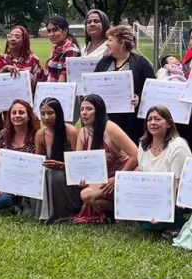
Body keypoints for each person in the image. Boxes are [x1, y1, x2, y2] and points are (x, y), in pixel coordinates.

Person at [73, 94, 138, 224]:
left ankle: (127, 211)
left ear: (99, 111)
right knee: (85, 194)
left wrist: (118, 178)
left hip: (124, 175)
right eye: (82, 109)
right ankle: (115, 211)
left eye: (89, 109)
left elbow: (136, 155)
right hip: (102, 179)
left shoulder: (110, 128)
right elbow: (78, 164)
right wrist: (80, 179)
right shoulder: (83, 132)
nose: (84, 113)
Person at [95, 25, 155, 143]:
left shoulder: (140, 63)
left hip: (131, 122)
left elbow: (152, 89)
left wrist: (139, 98)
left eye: (110, 40)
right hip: (107, 119)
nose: (107, 43)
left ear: (122, 43)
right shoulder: (104, 62)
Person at [138, 106, 191, 237]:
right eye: (149, 119)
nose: (153, 123)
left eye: (158, 119)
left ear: (168, 123)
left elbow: (180, 185)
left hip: (176, 197)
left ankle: (179, 223)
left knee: (151, 222)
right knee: (145, 220)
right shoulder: (143, 144)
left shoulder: (178, 146)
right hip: (153, 195)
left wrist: (161, 210)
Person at [34, 98, 81, 222]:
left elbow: (79, 163)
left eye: (50, 113)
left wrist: (61, 165)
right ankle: (43, 212)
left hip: (69, 176)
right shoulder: (40, 134)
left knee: (52, 174)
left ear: (58, 113)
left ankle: (62, 211)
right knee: (45, 173)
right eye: (43, 114)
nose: (46, 118)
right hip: (49, 173)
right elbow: (38, 161)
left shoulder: (70, 131)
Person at [0, 99, 40, 214]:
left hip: (29, 180)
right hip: (8, 179)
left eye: (21, 113)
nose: (17, 115)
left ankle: (26, 200)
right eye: (14, 113)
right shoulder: (3, 135)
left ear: (28, 116)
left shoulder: (37, 135)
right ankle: (18, 201)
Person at [0, 26, 43, 90]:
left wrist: (22, 73)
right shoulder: (1, 59)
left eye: (17, 37)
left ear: (24, 40)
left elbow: (39, 85)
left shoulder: (33, 60)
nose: (12, 39)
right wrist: (4, 69)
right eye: (10, 36)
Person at [45, 15, 81, 82]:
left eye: (55, 30)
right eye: (49, 31)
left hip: (57, 91)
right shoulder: (57, 49)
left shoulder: (71, 51)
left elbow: (63, 82)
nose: (51, 34)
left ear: (65, 31)